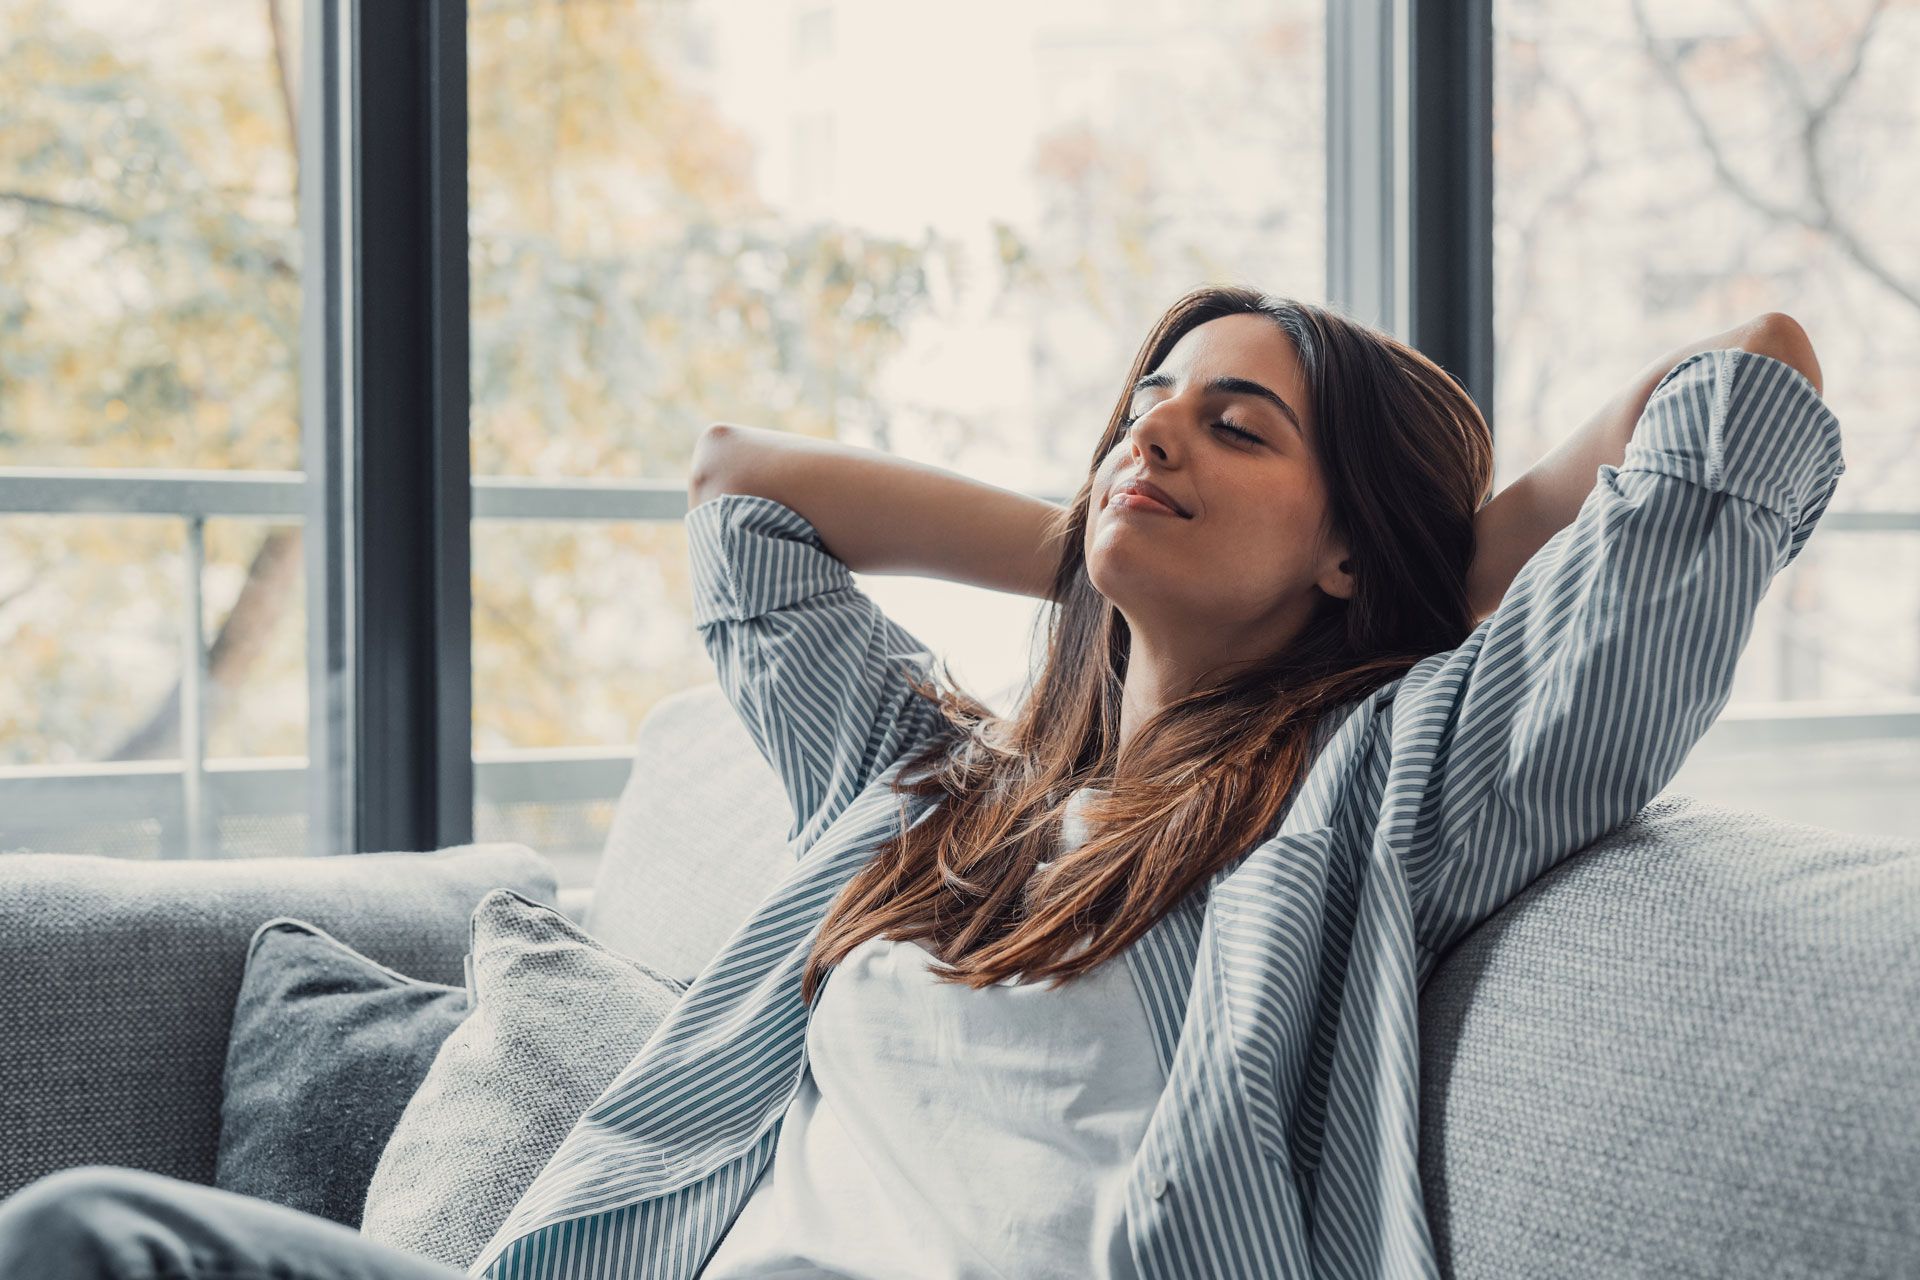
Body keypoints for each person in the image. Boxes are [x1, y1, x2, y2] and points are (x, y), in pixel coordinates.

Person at [0, 286, 1838, 1280]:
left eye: (1235, 423)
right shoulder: (920, 788)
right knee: (91, 1230)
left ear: (1347, 543)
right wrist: (1094, 531)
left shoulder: (1372, 797)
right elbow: (744, 495)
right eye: (1144, 406)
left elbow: (1745, 378)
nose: (1155, 435)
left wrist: (1432, 551)